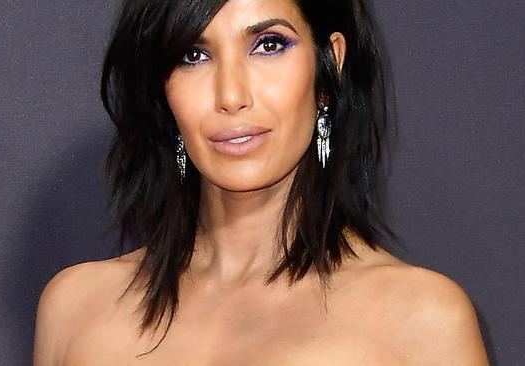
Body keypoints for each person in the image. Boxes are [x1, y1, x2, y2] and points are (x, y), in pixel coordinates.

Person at [34, 0, 489, 364]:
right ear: (162, 86)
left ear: (328, 66)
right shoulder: (75, 307)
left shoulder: (423, 321)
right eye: (193, 55)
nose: (231, 95)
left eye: (269, 44)